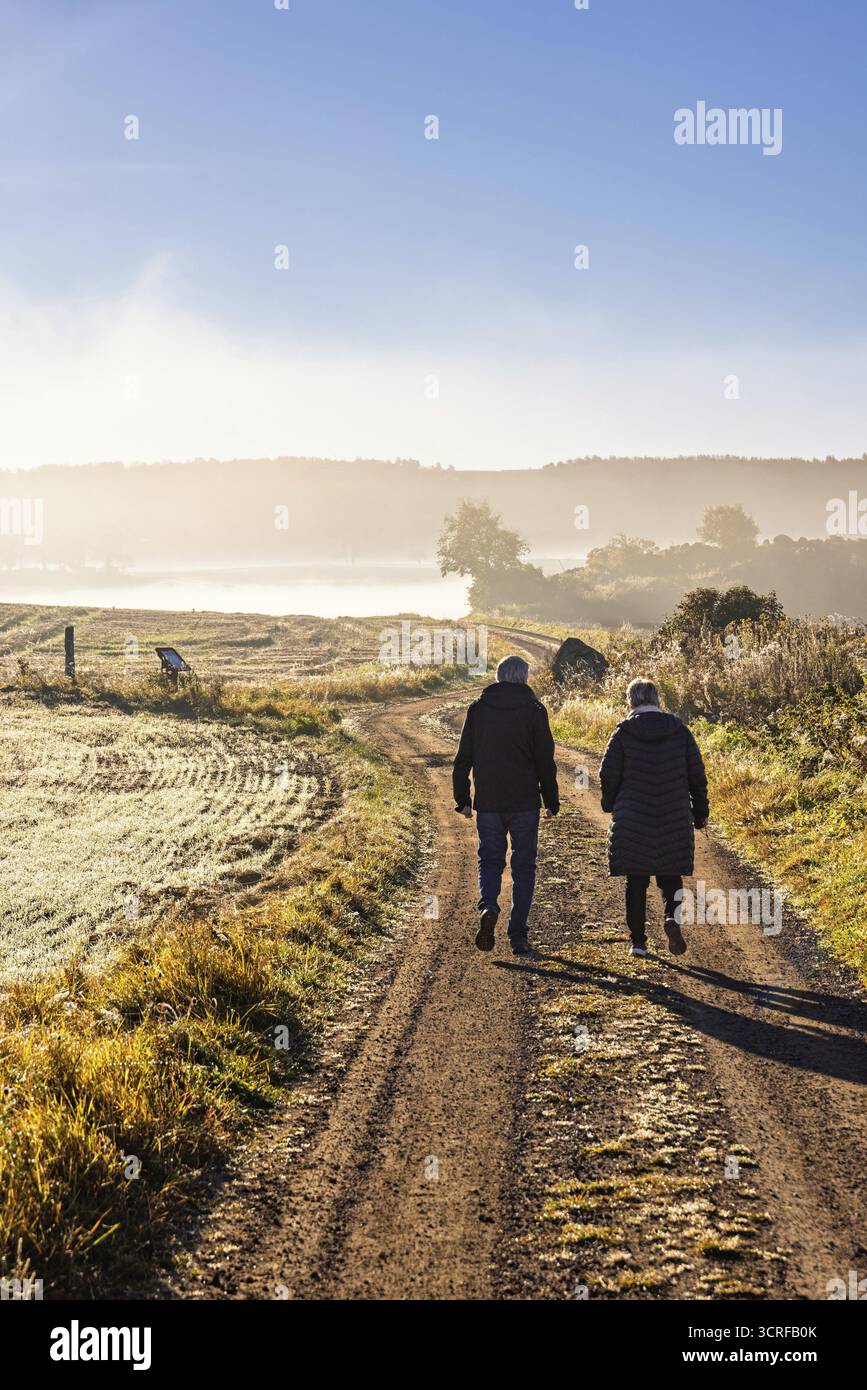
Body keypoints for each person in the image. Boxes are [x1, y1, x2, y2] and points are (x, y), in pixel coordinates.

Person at [453, 654, 559, 955]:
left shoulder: (478, 709)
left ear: (498, 677)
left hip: (489, 802)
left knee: (490, 859)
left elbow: (463, 759)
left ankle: (489, 905)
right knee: (524, 867)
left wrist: (462, 798)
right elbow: (544, 761)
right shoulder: (535, 711)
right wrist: (551, 800)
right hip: (524, 802)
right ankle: (518, 935)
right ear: (524, 678)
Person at [599, 678, 709, 958]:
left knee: (636, 882)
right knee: (670, 877)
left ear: (631, 702)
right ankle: (672, 917)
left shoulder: (623, 733)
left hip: (634, 818)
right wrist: (700, 814)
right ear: (657, 701)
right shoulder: (680, 732)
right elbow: (697, 776)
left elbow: (607, 774)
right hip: (673, 815)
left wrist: (610, 804)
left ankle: (638, 942)